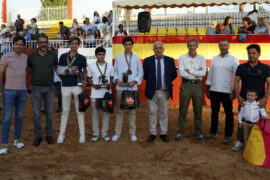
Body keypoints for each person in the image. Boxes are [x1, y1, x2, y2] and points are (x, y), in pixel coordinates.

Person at [232, 44, 270, 151]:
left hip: (260, 102)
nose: (251, 55)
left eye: (254, 53)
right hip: (244, 101)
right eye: (249, 53)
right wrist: (238, 97)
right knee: (241, 122)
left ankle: (257, 144)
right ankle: (239, 141)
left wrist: (265, 98)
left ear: (259, 54)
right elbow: (236, 82)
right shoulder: (241, 67)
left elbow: (269, 83)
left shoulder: (265, 68)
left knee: (259, 123)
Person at [27, 33, 58, 146]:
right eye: (41, 42)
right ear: (38, 43)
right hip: (36, 88)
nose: (43, 44)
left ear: (47, 43)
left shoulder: (53, 55)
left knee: (49, 113)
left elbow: (55, 67)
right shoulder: (31, 56)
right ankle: (38, 136)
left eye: (45, 42)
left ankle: (49, 135)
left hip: (50, 87)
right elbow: (29, 70)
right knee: (36, 114)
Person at [205, 39, 239, 145]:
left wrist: (234, 91)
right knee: (214, 113)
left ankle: (228, 135)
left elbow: (238, 77)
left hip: (226, 91)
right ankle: (213, 132)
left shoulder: (233, 59)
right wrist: (207, 88)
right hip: (214, 90)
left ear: (229, 46)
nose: (223, 47)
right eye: (221, 45)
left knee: (228, 114)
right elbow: (210, 74)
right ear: (218, 46)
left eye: (225, 45)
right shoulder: (214, 59)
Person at [143, 41, 177, 143]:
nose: (158, 50)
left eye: (160, 48)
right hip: (152, 91)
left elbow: (173, 75)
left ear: (163, 49)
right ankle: (153, 133)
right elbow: (145, 75)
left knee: (164, 114)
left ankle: (163, 133)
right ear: (153, 50)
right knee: (152, 113)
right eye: (156, 48)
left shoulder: (170, 60)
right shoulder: (147, 61)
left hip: (164, 91)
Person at [56, 37, 87, 144]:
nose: (74, 45)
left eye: (76, 43)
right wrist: (69, 70)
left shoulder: (82, 58)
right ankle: (61, 134)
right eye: (72, 43)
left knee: (80, 111)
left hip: (77, 86)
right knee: (65, 111)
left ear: (79, 45)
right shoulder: (63, 57)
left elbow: (85, 71)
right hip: (65, 85)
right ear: (69, 45)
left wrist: (85, 80)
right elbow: (59, 71)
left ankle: (82, 135)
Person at [112, 37, 143, 142]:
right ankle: (117, 133)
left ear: (132, 45)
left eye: (130, 44)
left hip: (132, 88)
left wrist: (134, 81)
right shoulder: (118, 57)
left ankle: (132, 133)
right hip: (120, 87)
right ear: (123, 45)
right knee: (119, 111)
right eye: (126, 44)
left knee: (132, 111)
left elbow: (141, 72)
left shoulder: (137, 58)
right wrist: (117, 80)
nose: (128, 46)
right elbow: (115, 71)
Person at [175, 38, 206, 142]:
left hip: (197, 86)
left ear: (197, 46)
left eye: (194, 45)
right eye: (190, 45)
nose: (192, 47)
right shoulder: (182, 58)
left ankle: (198, 132)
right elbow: (182, 74)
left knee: (198, 110)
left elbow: (203, 74)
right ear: (187, 46)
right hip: (186, 85)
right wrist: (196, 72)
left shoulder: (202, 58)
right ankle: (180, 131)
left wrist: (190, 71)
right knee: (182, 110)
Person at [0, 36, 27, 155]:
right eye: (17, 44)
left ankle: (17, 140)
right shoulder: (6, 57)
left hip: (22, 91)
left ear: (24, 46)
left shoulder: (26, 58)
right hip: (8, 91)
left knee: (19, 116)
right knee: (6, 118)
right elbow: (0, 74)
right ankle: (4, 143)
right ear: (13, 45)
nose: (19, 46)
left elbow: (28, 71)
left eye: (21, 44)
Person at [87, 47, 113, 142]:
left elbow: (111, 77)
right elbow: (89, 78)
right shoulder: (91, 66)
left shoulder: (109, 66)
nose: (101, 56)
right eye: (99, 54)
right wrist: (94, 85)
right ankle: (95, 134)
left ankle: (105, 134)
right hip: (95, 93)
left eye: (103, 54)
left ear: (105, 55)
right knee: (95, 114)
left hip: (106, 93)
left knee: (106, 114)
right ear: (96, 55)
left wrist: (109, 85)